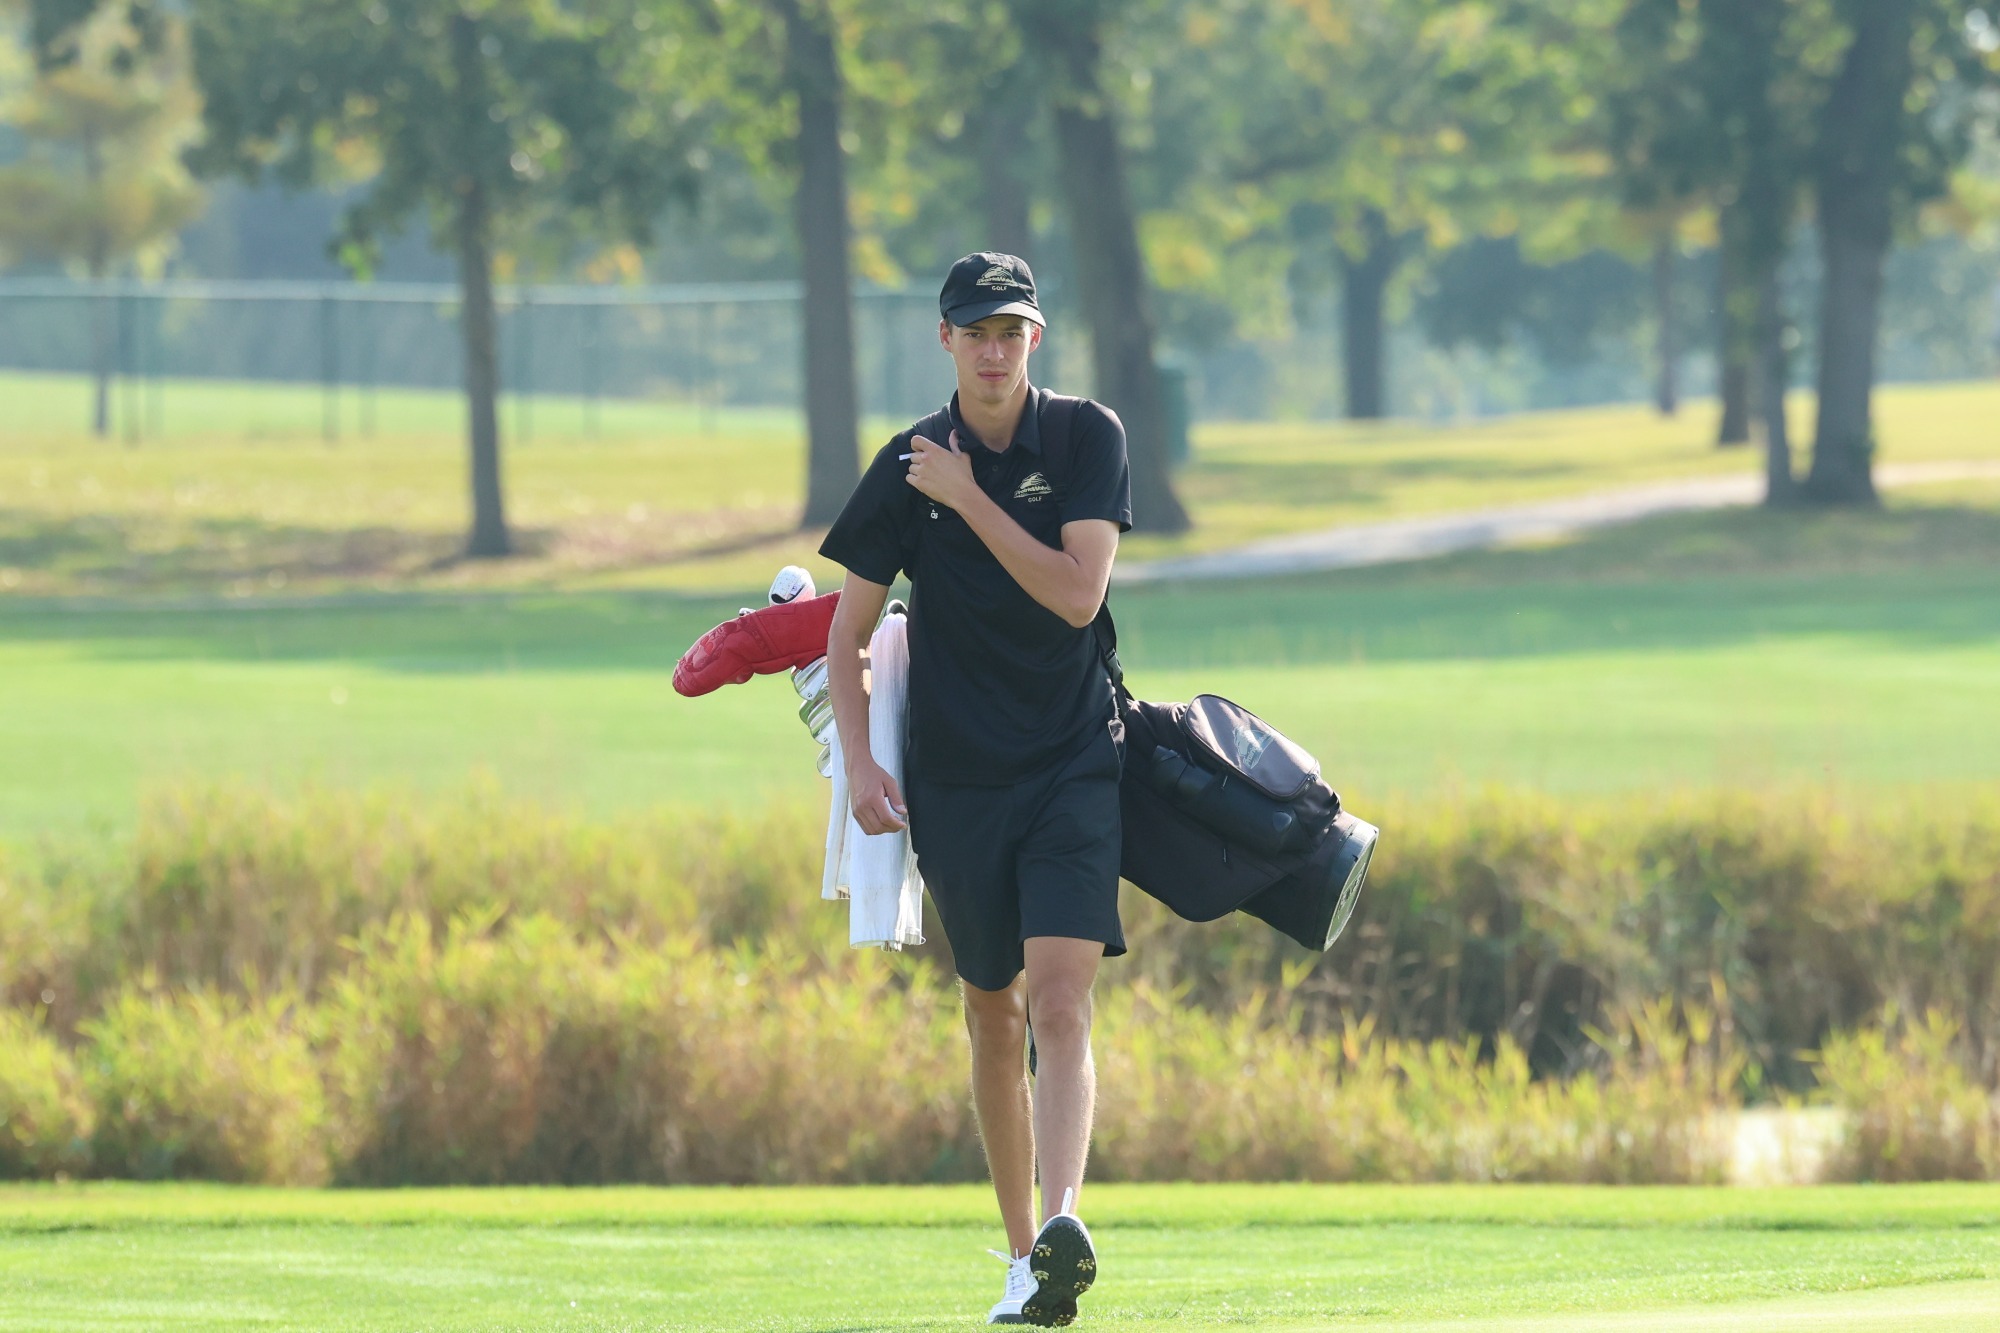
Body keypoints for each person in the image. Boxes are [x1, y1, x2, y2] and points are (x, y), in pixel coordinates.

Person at [819, 251, 1132, 1327]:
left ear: (1032, 340)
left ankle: (1063, 1223)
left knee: (1059, 999)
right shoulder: (904, 463)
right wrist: (862, 762)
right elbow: (846, 631)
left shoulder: (1086, 439)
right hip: (955, 779)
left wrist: (967, 499)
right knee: (993, 1015)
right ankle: (1018, 1260)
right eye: (975, 331)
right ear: (944, 340)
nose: (993, 350)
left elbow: (1077, 598)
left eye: (1011, 331)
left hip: (1072, 761)